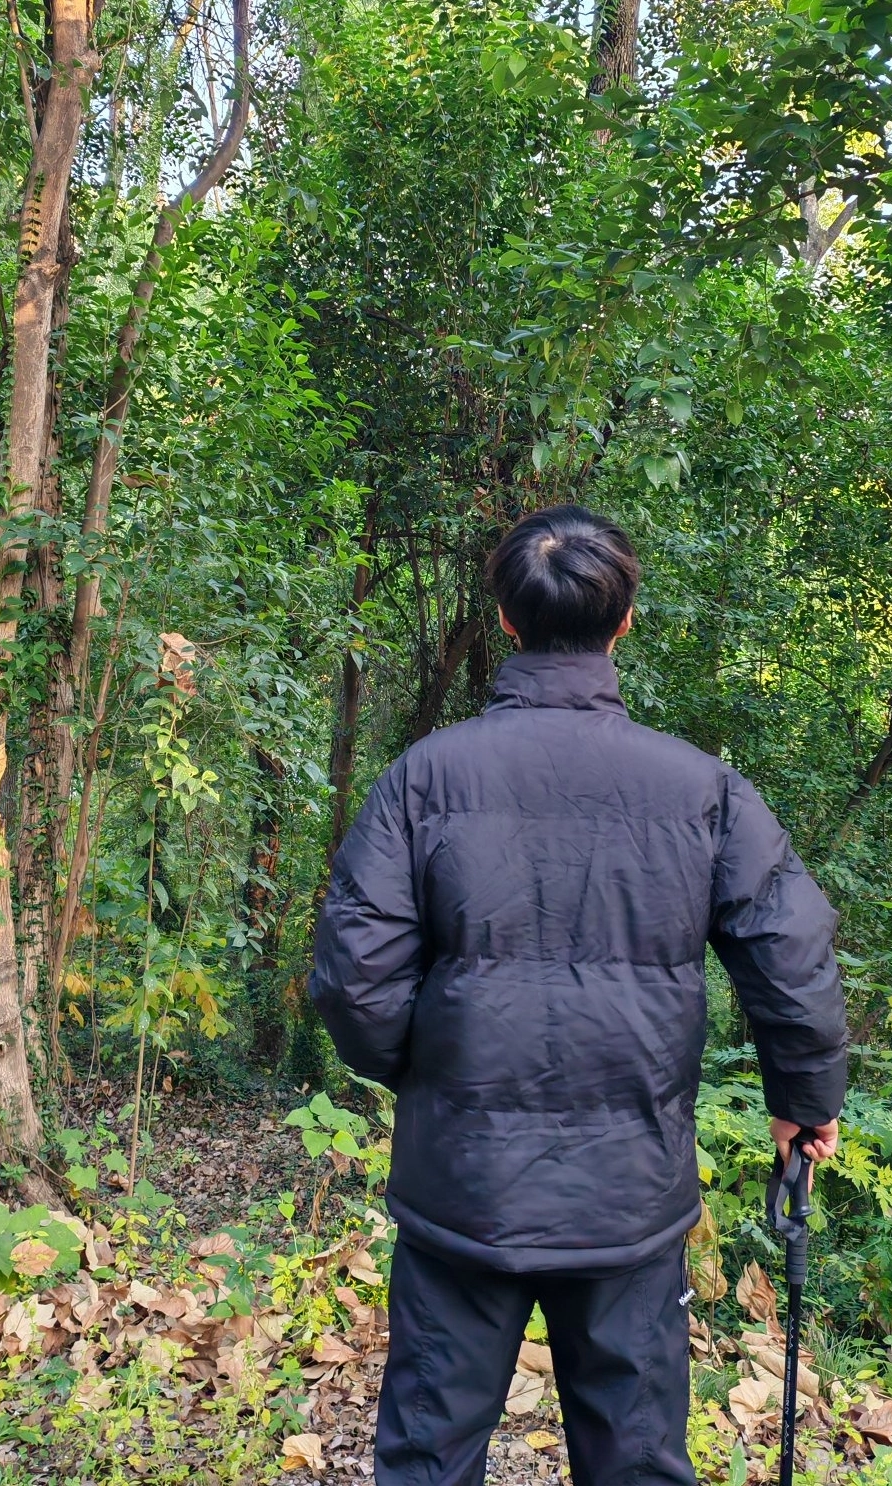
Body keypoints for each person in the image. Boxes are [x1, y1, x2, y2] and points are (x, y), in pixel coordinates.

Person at [310, 504, 847, 1486]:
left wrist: (427, 1073)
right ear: (625, 621)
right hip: (628, 1196)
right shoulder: (701, 789)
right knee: (635, 1462)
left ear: (505, 620)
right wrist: (803, 1102)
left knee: (427, 1457)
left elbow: (355, 974)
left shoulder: (424, 778)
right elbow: (790, 946)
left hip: (462, 1186)